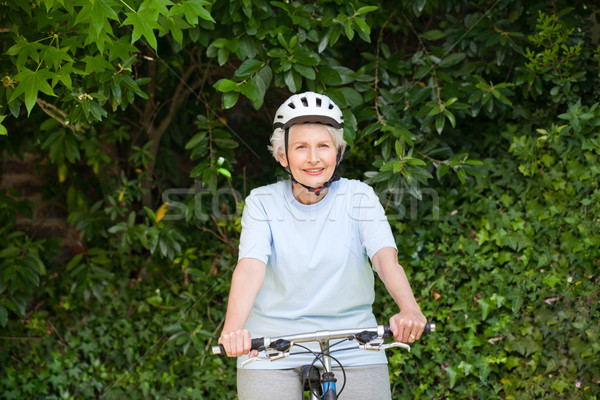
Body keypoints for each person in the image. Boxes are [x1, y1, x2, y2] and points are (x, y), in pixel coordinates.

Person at [218, 91, 427, 400]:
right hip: (272, 343)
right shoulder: (262, 202)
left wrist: (409, 308)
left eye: (323, 146)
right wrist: (233, 329)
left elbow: (385, 259)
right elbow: (250, 268)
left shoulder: (359, 197)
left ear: (337, 153)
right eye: (301, 147)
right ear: (282, 157)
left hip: (354, 340)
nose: (313, 158)